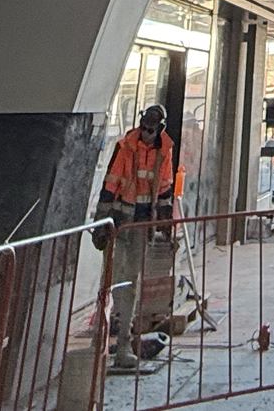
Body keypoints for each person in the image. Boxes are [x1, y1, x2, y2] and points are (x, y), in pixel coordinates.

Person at [100, 105, 176, 370]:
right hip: (121, 224)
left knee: (131, 280)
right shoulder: (125, 147)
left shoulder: (164, 151)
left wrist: (166, 223)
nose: (145, 134)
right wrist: (103, 221)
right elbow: (110, 184)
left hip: (142, 224)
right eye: (143, 128)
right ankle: (110, 339)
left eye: (151, 130)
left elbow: (165, 187)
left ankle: (123, 343)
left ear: (159, 129)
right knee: (115, 279)